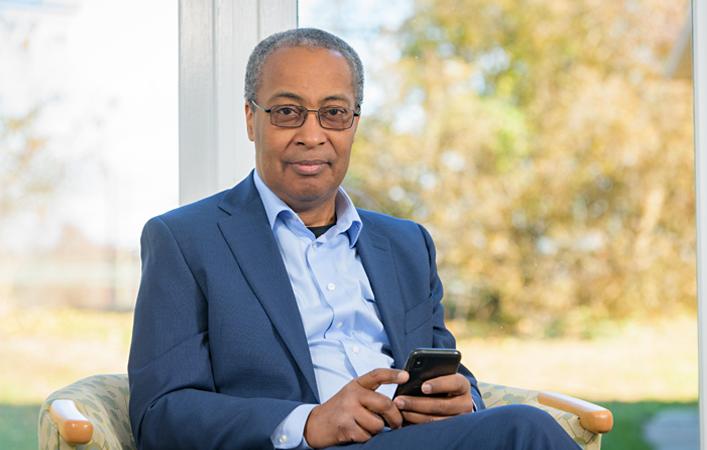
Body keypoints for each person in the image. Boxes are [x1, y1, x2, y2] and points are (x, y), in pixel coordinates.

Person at [127, 27, 578, 450]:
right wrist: (309, 422)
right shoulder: (185, 240)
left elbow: (446, 366)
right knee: (527, 428)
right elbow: (159, 412)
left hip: (410, 437)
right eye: (287, 112)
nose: (311, 135)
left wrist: (465, 401)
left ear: (354, 123)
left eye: (333, 113)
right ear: (251, 119)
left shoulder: (407, 244)